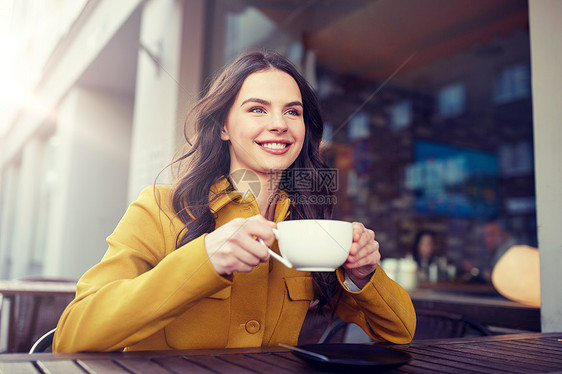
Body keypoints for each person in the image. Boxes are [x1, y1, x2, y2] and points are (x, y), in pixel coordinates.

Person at [53, 51, 416, 352]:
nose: (279, 124)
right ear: (223, 127)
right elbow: (72, 336)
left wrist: (363, 276)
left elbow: (399, 333)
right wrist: (203, 259)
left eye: (293, 111)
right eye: (257, 109)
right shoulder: (160, 208)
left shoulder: (307, 227)